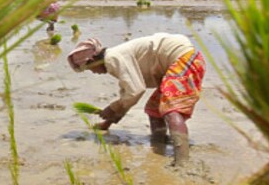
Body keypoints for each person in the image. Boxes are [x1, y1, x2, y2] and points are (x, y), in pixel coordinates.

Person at [67, 34, 206, 165]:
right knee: (154, 110)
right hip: (182, 60)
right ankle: (159, 145)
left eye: (90, 69)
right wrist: (107, 122)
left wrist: (112, 108)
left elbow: (135, 91)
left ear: (92, 61)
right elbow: (128, 94)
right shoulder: (115, 57)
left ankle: (182, 162)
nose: (94, 73)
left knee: (171, 109)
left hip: (183, 59)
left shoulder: (112, 58)